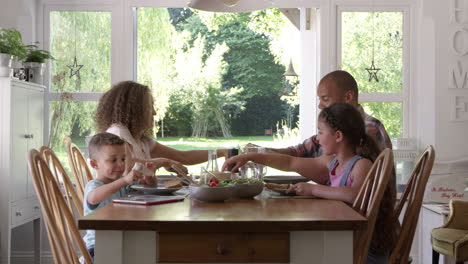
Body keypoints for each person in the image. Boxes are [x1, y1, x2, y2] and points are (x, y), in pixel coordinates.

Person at [222, 103, 395, 263]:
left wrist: (314, 189)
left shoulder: (361, 165)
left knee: (293, 248)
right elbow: (290, 162)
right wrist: (249, 156)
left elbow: (354, 194)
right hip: (345, 241)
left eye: (320, 132)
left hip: (362, 250)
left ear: (338, 136)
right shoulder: (332, 162)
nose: (317, 139)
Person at [82, 132, 186, 259]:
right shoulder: (94, 185)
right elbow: (93, 198)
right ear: (94, 164)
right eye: (113, 160)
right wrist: (124, 180)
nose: (121, 164)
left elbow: (149, 187)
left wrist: (149, 175)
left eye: (123, 159)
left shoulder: (124, 182)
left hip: (123, 239)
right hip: (99, 246)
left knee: (154, 250)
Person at [94, 80, 227, 179]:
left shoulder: (140, 140)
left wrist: (221, 152)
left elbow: (183, 156)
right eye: (150, 107)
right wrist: (163, 162)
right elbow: (129, 167)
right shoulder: (117, 133)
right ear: (135, 110)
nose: (154, 113)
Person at [258, 70, 392, 156]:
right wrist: (260, 152)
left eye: (325, 99)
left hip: (357, 201)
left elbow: (328, 169)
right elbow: (299, 151)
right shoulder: (336, 127)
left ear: (348, 97)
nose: (320, 105)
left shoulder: (369, 128)